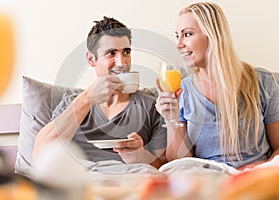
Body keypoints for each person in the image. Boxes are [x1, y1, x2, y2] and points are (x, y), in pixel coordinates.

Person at [155, 2, 279, 168]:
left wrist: (259, 173)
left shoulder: (263, 82)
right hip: (209, 180)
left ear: (213, 35)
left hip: (254, 179)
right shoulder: (182, 91)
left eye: (187, 34)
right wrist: (171, 119)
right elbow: (180, 163)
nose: (178, 44)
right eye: (178, 36)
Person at [33, 16, 167, 168]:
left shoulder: (151, 106)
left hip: (131, 182)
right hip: (82, 184)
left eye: (126, 52)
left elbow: (164, 168)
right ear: (91, 59)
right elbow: (40, 153)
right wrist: (87, 98)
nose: (122, 63)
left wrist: (139, 155)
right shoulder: (72, 103)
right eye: (111, 53)